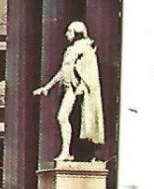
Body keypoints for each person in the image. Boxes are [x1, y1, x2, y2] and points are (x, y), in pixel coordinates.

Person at [33, 21, 105, 162]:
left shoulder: (85, 48)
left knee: (64, 117)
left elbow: (90, 71)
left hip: (77, 90)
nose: (66, 34)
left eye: (69, 31)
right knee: (66, 118)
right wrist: (47, 87)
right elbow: (63, 70)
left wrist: (83, 85)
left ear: (77, 33)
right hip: (68, 89)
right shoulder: (72, 49)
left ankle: (70, 152)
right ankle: (68, 151)